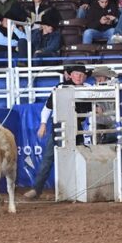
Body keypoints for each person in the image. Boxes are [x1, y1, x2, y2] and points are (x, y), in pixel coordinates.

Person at [24, 65, 92, 199]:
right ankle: (37, 189)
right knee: (48, 158)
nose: (79, 77)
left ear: (84, 77)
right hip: (61, 126)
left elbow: (93, 107)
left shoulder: (88, 89)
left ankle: (76, 189)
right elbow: (48, 107)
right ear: (70, 75)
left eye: (81, 74)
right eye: (76, 74)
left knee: (77, 157)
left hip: (77, 127)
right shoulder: (60, 88)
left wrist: (97, 109)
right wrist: (43, 124)